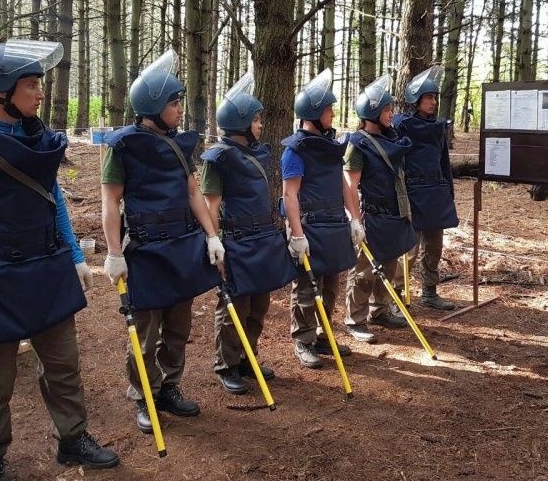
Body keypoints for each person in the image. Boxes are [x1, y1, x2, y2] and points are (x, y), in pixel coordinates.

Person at [0, 39, 118, 481]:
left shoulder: (43, 141)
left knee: (64, 366)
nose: (40, 93)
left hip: (49, 270)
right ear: (0, 91)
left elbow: (54, 204)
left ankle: (73, 440)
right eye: (31, 85)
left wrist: (74, 257)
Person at [101, 50, 224, 432]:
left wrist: (212, 236)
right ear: (152, 106)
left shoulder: (180, 144)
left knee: (177, 326)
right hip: (145, 252)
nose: (179, 109)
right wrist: (114, 253)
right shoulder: (122, 147)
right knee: (145, 329)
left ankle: (170, 386)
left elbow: (192, 194)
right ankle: (144, 394)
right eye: (174, 103)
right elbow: (110, 201)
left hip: (182, 247)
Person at [200, 74, 298, 394]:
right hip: (235, 244)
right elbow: (210, 206)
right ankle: (226, 364)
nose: (260, 125)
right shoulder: (219, 158)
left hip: (264, 240)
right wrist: (214, 242)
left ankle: (246, 357)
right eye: (255, 120)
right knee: (233, 307)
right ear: (240, 122)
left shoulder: (258, 153)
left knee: (259, 304)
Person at [281, 69, 364, 368]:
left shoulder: (331, 145)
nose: (332, 114)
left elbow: (343, 184)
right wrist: (297, 235)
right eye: (329, 110)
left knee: (331, 283)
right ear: (314, 113)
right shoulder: (295, 150)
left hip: (333, 222)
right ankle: (303, 340)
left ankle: (322, 333)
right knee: (307, 285)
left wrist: (355, 219)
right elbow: (290, 195)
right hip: (308, 223)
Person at [343, 74, 417, 344]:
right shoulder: (357, 144)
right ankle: (355, 319)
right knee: (364, 272)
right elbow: (350, 186)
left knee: (388, 264)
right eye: (387, 110)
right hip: (370, 215)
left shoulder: (391, 139)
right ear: (372, 113)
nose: (391, 115)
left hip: (392, 213)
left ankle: (380, 310)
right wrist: (356, 221)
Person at [392, 65, 460, 310]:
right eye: (429, 97)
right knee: (408, 250)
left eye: (434, 97)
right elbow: (395, 162)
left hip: (435, 194)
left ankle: (430, 292)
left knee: (434, 246)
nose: (433, 102)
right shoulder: (401, 126)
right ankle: (397, 295)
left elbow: (444, 162)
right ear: (416, 100)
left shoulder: (438, 128)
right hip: (412, 193)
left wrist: (449, 192)